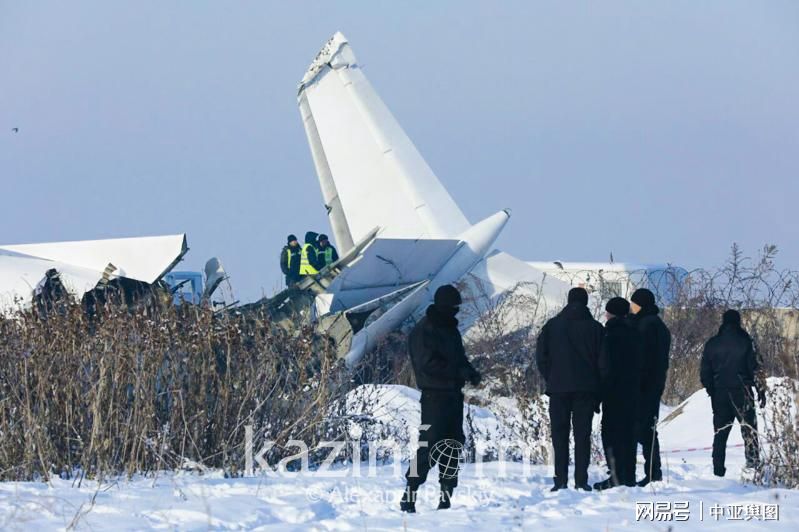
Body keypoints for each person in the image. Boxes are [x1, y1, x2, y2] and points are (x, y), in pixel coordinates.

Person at [400, 285, 482, 513]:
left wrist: (470, 371)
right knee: (429, 445)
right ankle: (410, 494)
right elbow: (427, 364)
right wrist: (458, 372)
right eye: (453, 307)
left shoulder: (450, 330)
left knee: (453, 446)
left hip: (454, 396)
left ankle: (445, 498)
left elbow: (459, 358)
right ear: (444, 306)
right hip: (433, 397)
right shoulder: (424, 330)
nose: (456, 311)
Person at [535, 287, 603, 492]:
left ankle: (560, 480)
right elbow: (603, 363)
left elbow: (541, 357)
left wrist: (552, 378)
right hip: (586, 390)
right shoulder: (596, 328)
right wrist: (597, 388)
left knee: (559, 436)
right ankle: (581, 480)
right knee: (582, 436)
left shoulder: (552, 326)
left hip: (558, 389)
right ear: (586, 302)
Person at [701, 310, 766, 476]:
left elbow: (704, 373)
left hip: (720, 393)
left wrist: (712, 390)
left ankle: (718, 469)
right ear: (738, 322)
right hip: (742, 391)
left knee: (720, 432)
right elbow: (756, 368)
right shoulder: (746, 342)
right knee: (749, 430)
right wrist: (760, 391)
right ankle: (752, 466)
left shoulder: (712, 344)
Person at [593, 297, 643, 490]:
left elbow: (604, 366)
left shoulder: (609, 335)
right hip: (633, 390)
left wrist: (600, 391)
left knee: (611, 434)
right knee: (629, 433)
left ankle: (615, 475)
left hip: (613, 391)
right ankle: (629, 475)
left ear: (610, 313)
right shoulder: (637, 333)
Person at [629, 288, 671, 487]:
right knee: (649, 429)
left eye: (634, 303)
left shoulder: (645, 326)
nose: (631, 307)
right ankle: (654, 470)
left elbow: (642, 358)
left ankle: (653, 471)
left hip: (643, 385)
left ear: (641, 304)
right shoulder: (659, 325)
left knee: (643, 429)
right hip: (655, 384)